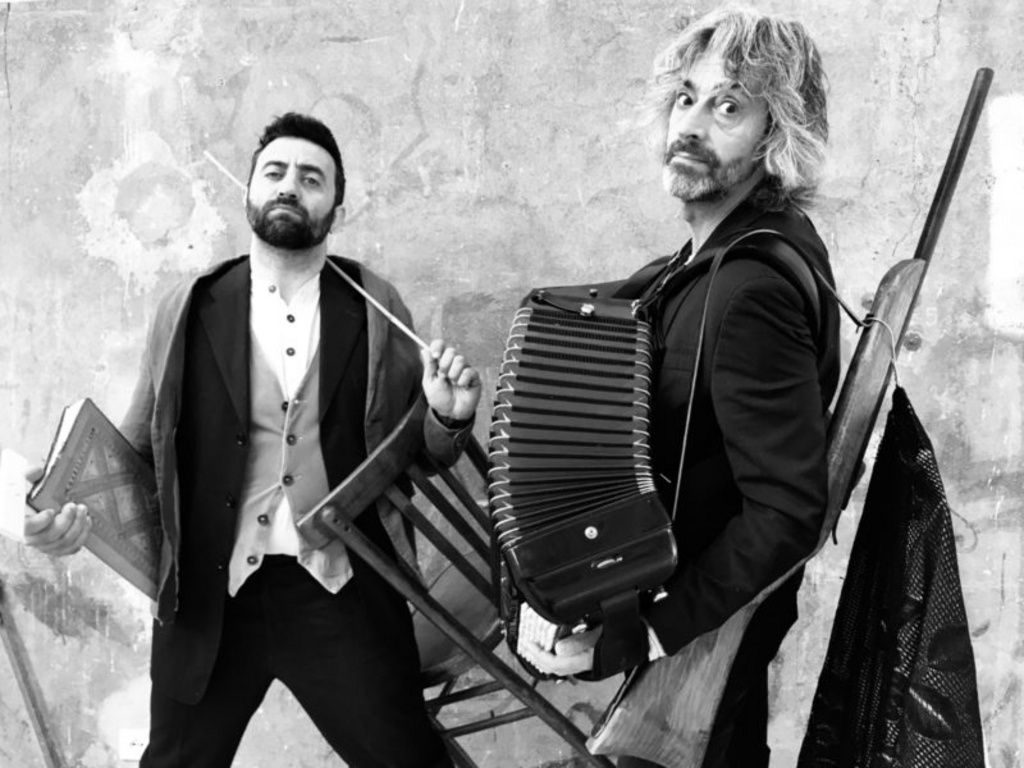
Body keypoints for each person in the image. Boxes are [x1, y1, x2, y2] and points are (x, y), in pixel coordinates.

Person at [25, 112, 481, 768]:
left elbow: (417, 458)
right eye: (275, 172)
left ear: (337, 209)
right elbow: (136, 450)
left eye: (312, 178)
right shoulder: (188, 306)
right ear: (249, 191)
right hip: (210, 595)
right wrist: (61, 500)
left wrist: (448, 418)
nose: (290, 185)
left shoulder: (377, 307)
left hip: (342, 589)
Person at [519, 9, 840, 767]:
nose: (691, 125)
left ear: (774, 135)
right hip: (694, 628)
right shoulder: (707, 260)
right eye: (686, 99)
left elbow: (787, 510)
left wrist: (649, 629)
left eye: (728, 107)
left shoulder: (750, 288)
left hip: (702, 643)